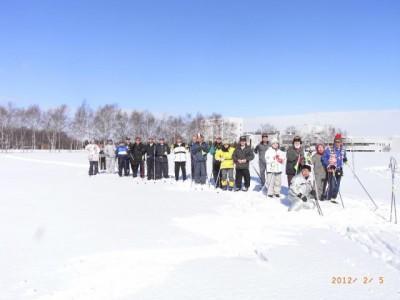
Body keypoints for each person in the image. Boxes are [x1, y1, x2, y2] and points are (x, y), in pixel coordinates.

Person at [322, 134, 347, 203]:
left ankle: (333, 198)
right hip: (332, 169)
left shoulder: (343, 150)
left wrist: (345, 159)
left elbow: (344, 156)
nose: (337, 143)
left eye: (339, 142)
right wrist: (328, 165)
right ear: (334, 142)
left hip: (339, 169)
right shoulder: (329, 149)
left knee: (337, 185)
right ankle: (328, 197)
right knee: (332, 184)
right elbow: (324, 158)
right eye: (336, 141)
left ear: (341, 142)